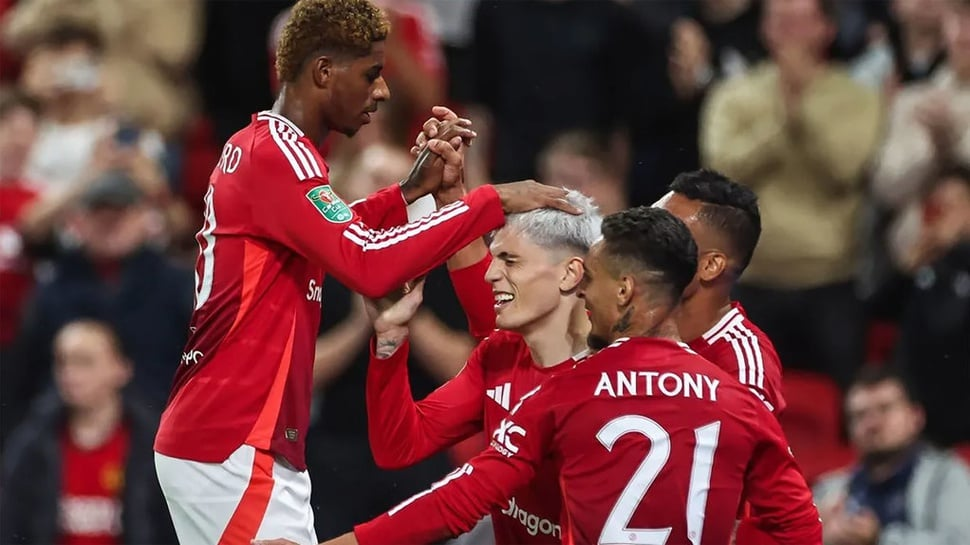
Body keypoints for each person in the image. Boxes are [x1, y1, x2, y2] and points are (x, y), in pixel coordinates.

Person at [151, 0, 576, 544]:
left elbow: (340, 231)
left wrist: (409, 193)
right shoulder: (282, 156)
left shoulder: (267, 149)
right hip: (237, 436)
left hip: (232, 432)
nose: (384, 92)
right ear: (325, 72)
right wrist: (491, 200)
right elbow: (369, 265)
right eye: (372, 74)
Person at [257, 207, 823, 545]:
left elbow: (460, 497)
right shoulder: (733, 398)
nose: (583, 289)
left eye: (592, 278)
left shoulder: (568, 392)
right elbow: (798, 527)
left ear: (622, 288)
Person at [362, 189, 601, 545]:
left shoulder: (614, 376)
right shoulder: (499, 354)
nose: (490, 274)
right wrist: (390, 338)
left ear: (570, 274)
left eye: (510, 260)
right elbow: (398, 446)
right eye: (493, 258)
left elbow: (454, 504)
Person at [1, 320, 175, 545]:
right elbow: (11, 527)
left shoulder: (152, 447)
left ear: (122, 368)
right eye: (63, 362)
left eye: (85, 362)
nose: (70, 374)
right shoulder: (31, 445)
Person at [655, 169, 785, 413]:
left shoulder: (742, 368)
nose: (641, 245)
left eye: (664, 237)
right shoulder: (622, 320)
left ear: (710, 266)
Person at [814, 366, 970, 544]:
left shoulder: (946, 477)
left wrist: (880, 539)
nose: (872, 424)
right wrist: (821, 538)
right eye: (860, 415)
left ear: (915, 417)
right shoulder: (829, 489)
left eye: (885, 409)